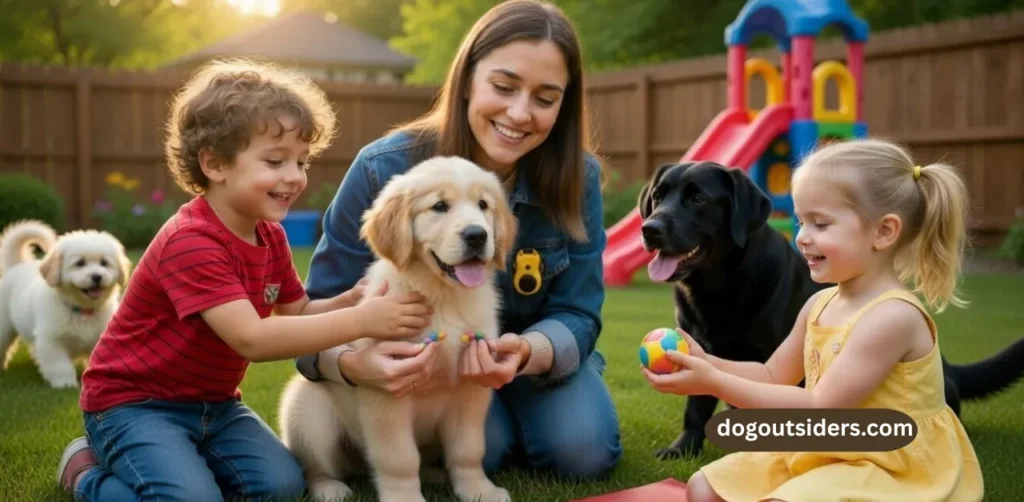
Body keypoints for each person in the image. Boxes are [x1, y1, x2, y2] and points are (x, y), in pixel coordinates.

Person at [54, 60, 434, 501]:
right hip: (134, 406)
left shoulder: (268, 234)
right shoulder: (191, 241)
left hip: (214, 405)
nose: (295, 176)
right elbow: (253, 339)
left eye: (301, 161)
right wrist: (364, 321)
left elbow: (299, 314)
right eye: (275, 160)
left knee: (282, 485)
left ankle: (184, 461)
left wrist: (350, 299)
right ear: (215, 164)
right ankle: (85, 474)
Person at [293, 0, 622, 480]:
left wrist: (527, 352)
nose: (519, 112)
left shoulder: (578, 177)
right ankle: (496, 438)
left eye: (545, 98)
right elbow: (314, 315)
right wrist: (352, 364)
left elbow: (579, 311)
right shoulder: (382, 168)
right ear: (468, 79)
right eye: (504, 86)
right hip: (428, 379)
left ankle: (511, 426)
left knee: (582, 454)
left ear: (563, 105)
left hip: (528, 362)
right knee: (482, 452)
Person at [644, 138, 985, 502]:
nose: (802, 237)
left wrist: (714, 381)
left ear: (884, 232)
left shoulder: (893, 318)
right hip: (827, 443)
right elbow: (773, 375)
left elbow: (820, 408)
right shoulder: (820, 304)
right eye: (800, 221)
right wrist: (706, 362)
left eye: (820, 225)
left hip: (888, 461)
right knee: (701, 488)